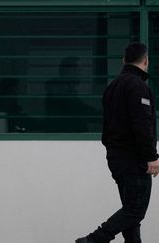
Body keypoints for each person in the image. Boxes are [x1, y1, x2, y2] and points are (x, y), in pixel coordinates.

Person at [76, 42, 159, 243]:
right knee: (135, 210)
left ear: (123, 60)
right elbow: (142, 124)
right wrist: (151, 156)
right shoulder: (138, 86)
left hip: (117, 157)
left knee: (131, 211)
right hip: (134, 159)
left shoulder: (112, 87)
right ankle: (95, 239)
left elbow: (107, 126)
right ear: (146, 60)